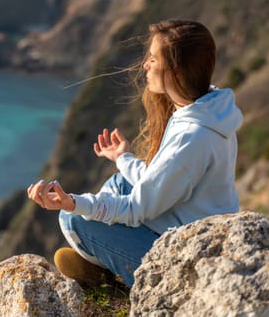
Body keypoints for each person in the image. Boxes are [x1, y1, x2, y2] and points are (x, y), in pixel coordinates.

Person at [26, 19, 243, 288]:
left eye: (153, 59)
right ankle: (107, 259)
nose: (145, 66)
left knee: (73, 220)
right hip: (195, 228)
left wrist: (71, 203)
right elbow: (161, 179)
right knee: (121, 181)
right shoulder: (209, 110)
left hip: (185, 260)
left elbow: (136, 208)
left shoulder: (191, 137)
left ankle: (123, 280)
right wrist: (122, 158)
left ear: (175, 71)